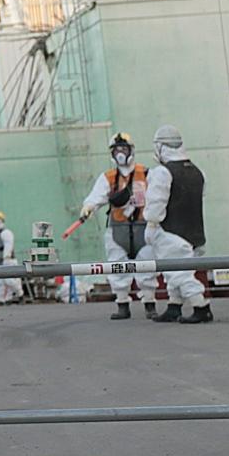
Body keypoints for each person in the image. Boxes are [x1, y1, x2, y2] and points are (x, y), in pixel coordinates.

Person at [77, 132, 160, 319]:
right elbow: (96, 196)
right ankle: (122, 304)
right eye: (116, 150)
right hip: (118, 230)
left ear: (131, 151)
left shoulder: (147, 173)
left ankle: (149, 303)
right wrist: (88, 207)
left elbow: (160, 196)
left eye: (123, 149)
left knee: (147, 266)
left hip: (143, 228)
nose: (120, 153)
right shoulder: (109, 177)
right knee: (117, 266)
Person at [145, 124, 211, 324]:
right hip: (195, 232)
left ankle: (201, 306)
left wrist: (151, 225)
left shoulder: (162, 172)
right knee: (175, 270)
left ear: (160, 147)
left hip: (170, 231)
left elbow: (156, 204)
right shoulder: (198, 172)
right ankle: (174, 306)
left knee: (178, 272)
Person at [0, 212, 23, 305]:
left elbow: (8, 247)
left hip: (8, 261)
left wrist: (6, 258)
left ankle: (19, 293)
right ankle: (1, 299)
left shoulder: (6, 233)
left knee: (9, 280)